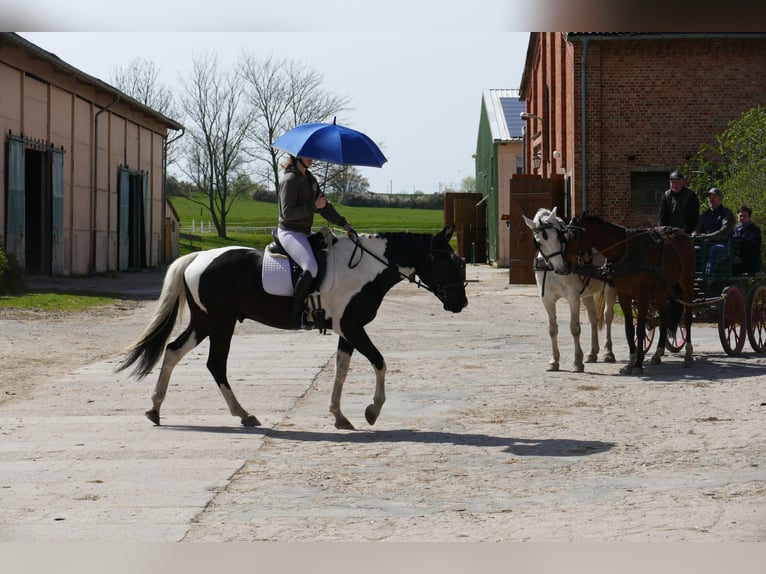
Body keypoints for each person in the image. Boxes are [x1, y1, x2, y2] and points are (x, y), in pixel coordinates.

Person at [277, 155, 356, 328]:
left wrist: (344, 224)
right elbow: (287, 213)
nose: (312, 159)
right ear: (297, 157)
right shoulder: (290, 180)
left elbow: (324, 207)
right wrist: (314, 206)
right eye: (308, 156)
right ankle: (296, 314)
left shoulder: (310, 178)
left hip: (304, 232)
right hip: (289, 231)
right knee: (310, 267)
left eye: (312, 156)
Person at [692, 187, 736, 275]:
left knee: (715, 249)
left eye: (714, 197)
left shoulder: (727, 213)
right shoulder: (705, 214)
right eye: (709, 198)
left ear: (721, 199)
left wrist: (707, 236)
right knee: (693, 249)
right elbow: (698, 228)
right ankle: (693, 277)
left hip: (724, 245)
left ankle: (708, 279)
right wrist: (694, 233)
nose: (711, 200)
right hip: (706, 244)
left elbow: (724, 230)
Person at [732, 204, 762, 275]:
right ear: (737, 216)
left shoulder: (754, 229)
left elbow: (755, 246)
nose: (742, 218)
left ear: (749, 217)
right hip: (737, 260)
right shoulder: (735, 230)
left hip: (750, 262)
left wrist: (742, 239)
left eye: (744, 216)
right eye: (740, 216)